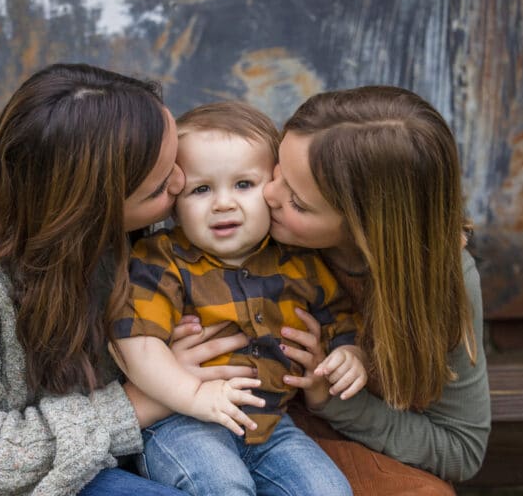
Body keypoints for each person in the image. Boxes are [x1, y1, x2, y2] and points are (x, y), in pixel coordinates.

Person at [0, 63, 259, 496]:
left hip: (117, 452)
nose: (182, 182)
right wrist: (139, 403)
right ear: (86, 209)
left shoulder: (121, 219)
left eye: (175, 161)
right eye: (157, 189)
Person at [111, 101, 360, 495]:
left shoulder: (298, 261)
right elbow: (136, 343)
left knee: (329, 491)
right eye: (202, 189)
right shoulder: (162, 260)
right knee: (223, 486)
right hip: (182, 422)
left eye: (244, 184)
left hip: (271, 425)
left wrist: (349, 352)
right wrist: (193, 394)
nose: (223, 203)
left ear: (274, 190)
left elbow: (339, 316)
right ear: (175, 205)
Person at [259, 85, 491, 495]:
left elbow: (461, 448)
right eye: (274, 168)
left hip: (346, 437)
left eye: (296, 200)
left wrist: (330, 399)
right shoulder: (242, 224)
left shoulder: (442, 279)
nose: (266, 194)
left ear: (367, 229)